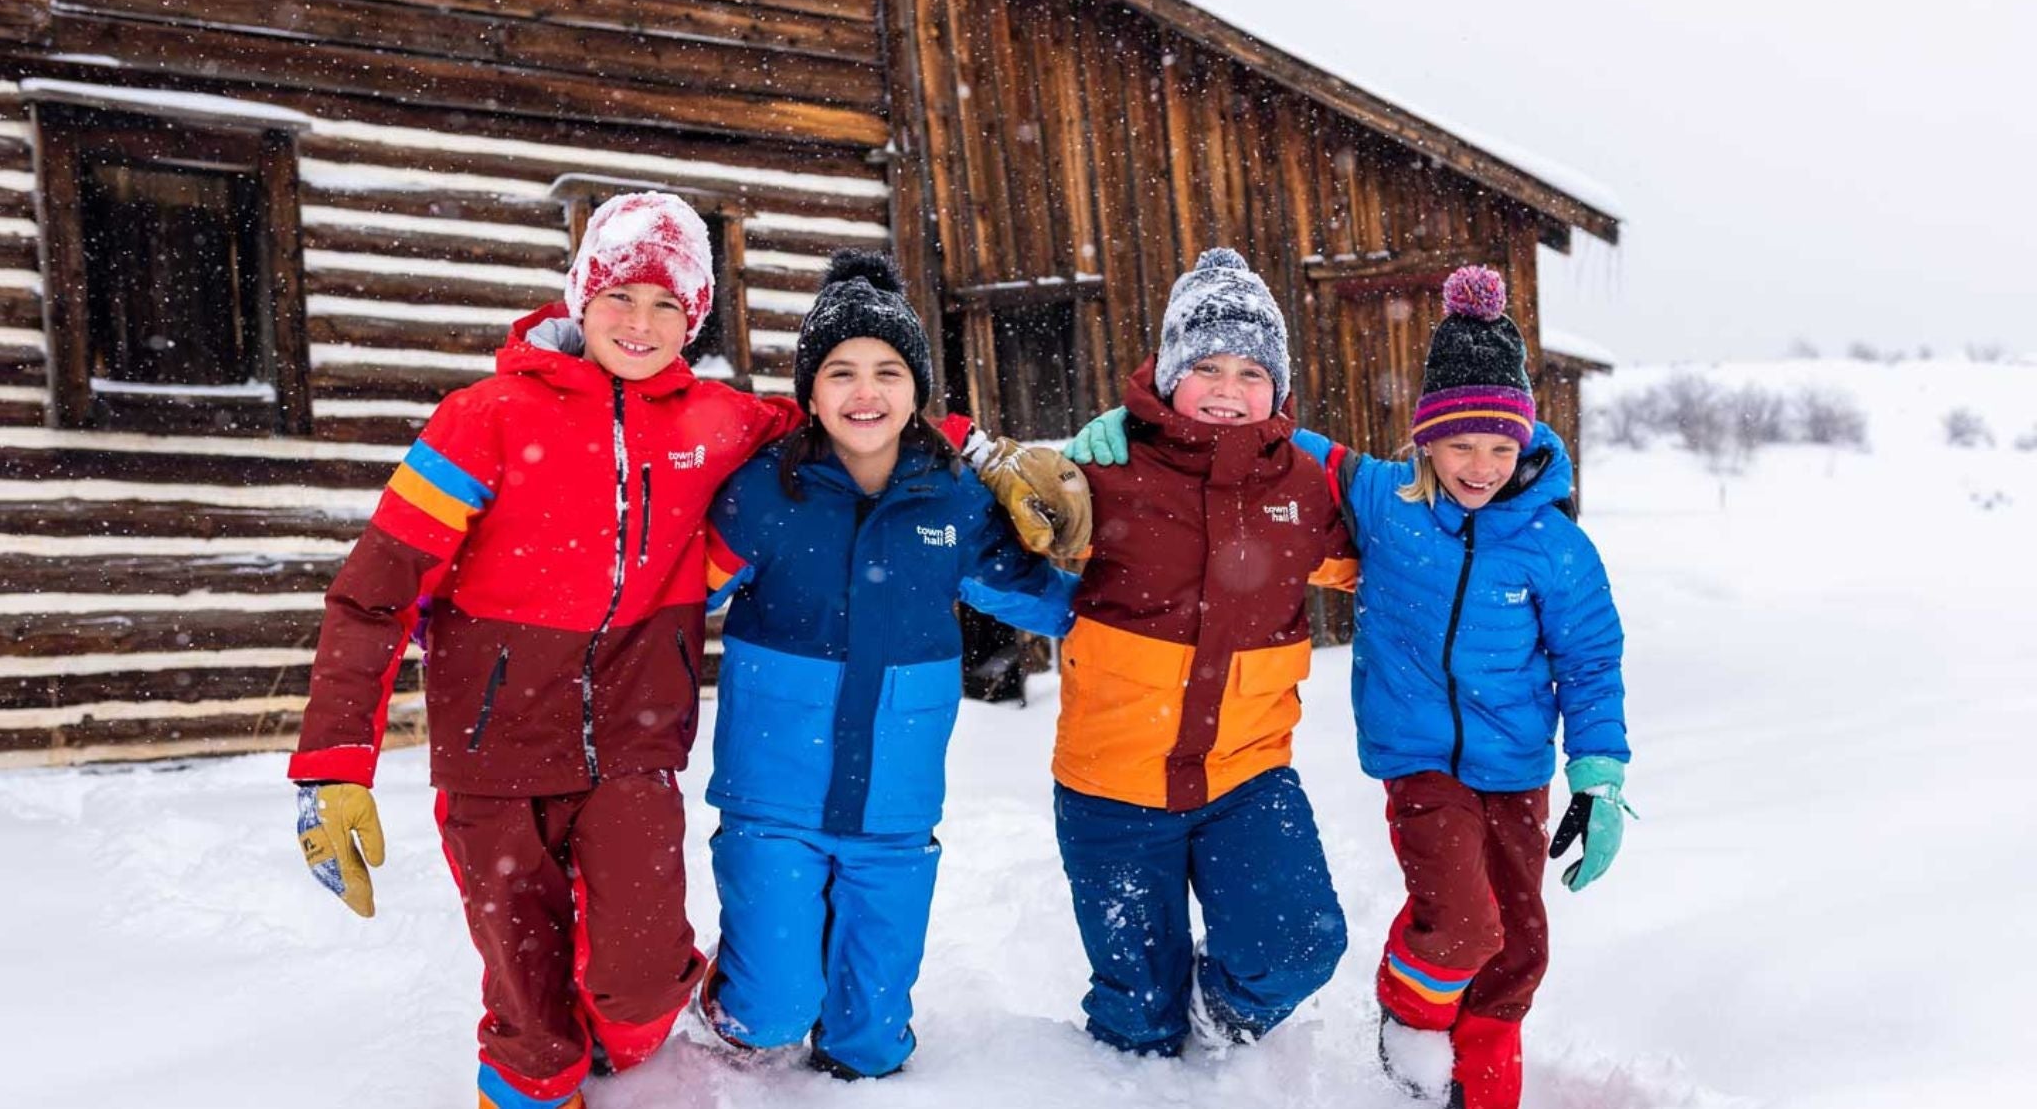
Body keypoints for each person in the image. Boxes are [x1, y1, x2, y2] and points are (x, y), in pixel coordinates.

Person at [287, 192, 1086, 1109]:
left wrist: (983, 454)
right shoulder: (486, 418)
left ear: (694, 317)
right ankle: (529, 1082)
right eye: (621, 297)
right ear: (581, 296)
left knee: (639, 984)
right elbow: (374, 592)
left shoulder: (719, 422)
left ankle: (626, 1034)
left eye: (667, 304)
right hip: (493, 744)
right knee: (524, 977)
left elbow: (853, 413)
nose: (640, 323)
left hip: (634, 739)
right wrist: (333, 760)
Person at [1069, 265, 1631, 1109]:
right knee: (1464, 928)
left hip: (1518, 768)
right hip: (1419, 761)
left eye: (1501, 446)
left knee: (1519, 948)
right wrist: (1130, 425)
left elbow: (1591, 661)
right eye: (1460, 443)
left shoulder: (1554, 545)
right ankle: (1409, 1020)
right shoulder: (1381, 495)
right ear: (1425, 439)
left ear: (1528, 444)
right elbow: (1261, 443)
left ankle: (1482, 1093)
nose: (1480, 465)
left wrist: (1599, 772)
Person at [694, 250, 1085, 1080]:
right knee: (769, 1015)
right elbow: (671, 599)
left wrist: (1122, 584)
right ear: (809, 390)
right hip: (774, 798)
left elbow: (1044, 597)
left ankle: (846, 1014)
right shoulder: (765, 492)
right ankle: (740, 994)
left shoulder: (954, 497)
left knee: (868, 1045)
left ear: (917, 391)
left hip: (894, 808)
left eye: (887, 370)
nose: (864, 392)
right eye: (840, 371)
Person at [1052, 247, 1358, 1059]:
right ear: (1167, 372)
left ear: (1280, 389)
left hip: (1246, 776)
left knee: (1301, 943)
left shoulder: (1301, 486)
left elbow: (1393, 548)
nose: (1228, 390)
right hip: (1111, 785)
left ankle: (1217, 1026)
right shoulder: (1100, 471)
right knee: (1134, 1020)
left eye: (1252, 372)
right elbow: (1005, 538)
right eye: (1208, 366)